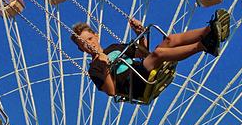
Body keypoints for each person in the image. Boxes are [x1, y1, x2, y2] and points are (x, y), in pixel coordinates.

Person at [71, 11, 230, 100]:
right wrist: (105, 65)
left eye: (90, 39)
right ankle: (204, 46)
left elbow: (142, 52)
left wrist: (139, 33)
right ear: (81, 50)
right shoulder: (94, 69)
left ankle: (210, 30)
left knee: (170, 40)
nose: (89, 44)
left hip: (141, 68)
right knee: (159, 53)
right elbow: (111, 91)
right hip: (135, 83)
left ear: (97, 36)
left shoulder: (113, 48)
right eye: (83, 44)